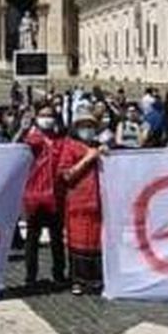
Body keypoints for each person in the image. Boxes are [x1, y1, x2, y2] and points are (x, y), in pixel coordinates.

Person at [57, 113, 105, 295]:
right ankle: (78, 280)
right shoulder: (70, 147)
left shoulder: (99, 147)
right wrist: (87, 159)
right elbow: (66, 175)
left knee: (96, 242)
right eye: (84, 126)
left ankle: (96, 278)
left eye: (90, 126)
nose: (87, 130)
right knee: (79, 241)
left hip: (99, 203)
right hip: (79, 201)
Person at [20, 105, 66, 293]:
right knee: (32, 239)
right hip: (35, 196)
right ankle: (30, 276)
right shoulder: (30, 140)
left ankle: (59, 274)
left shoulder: (61, 141)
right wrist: (22, 129)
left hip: (55, 196)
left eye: (50, 115)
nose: (47, 118)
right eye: (43, 115)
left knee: (57, 238)